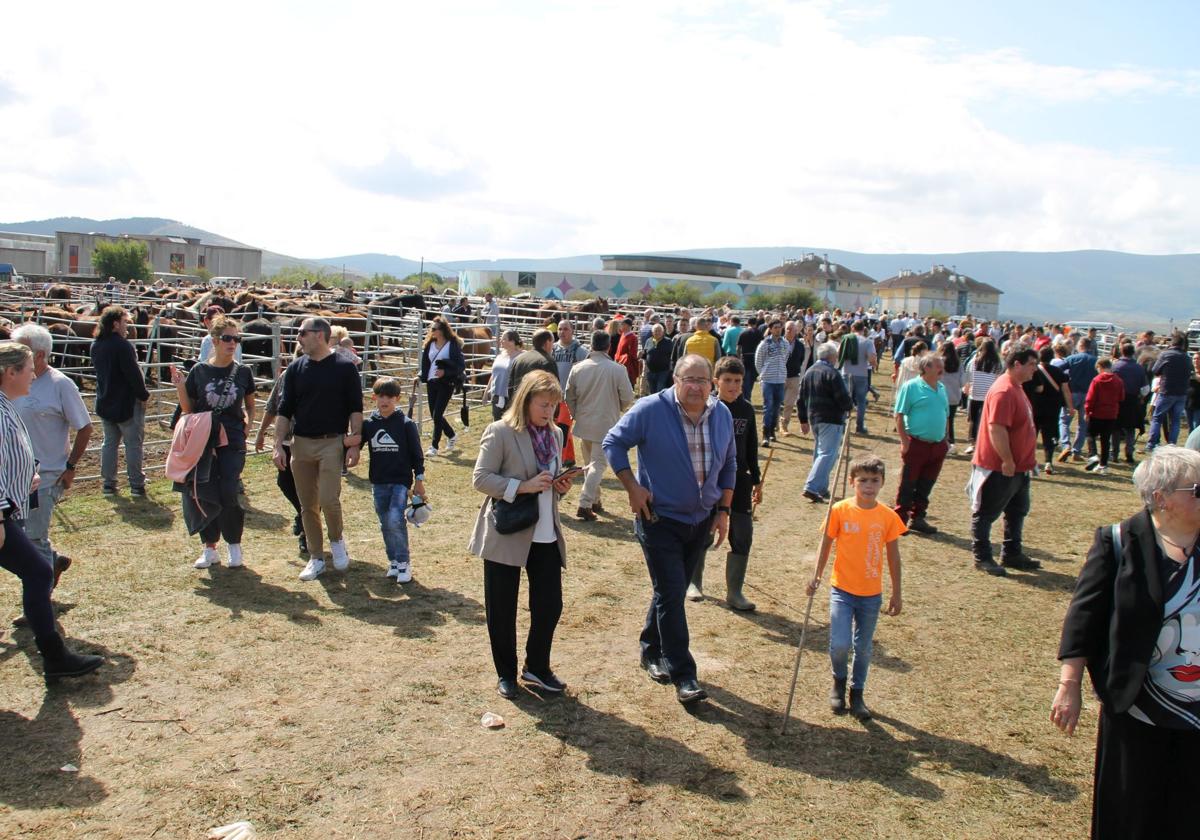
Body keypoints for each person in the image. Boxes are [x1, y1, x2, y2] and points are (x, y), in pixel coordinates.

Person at [1052, 446, 1200, 839]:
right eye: (1197, 489)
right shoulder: (1118, 542)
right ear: (1161, 498)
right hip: (1137, 707)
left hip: (1198, 709)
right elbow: (1084, 618)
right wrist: (1069, 686)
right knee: (1131, 812)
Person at [603, 354, 737, 706]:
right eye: (688, 379)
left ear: (712, 384)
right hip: (658, 518)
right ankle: (685, 674)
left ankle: (650, 649)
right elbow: (612, 443)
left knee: (670, 590)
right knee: (672, 592)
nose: (695, 387)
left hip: (702, 520)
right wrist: (632, 486)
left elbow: (729, 465)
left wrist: (723, 509)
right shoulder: (650, 410)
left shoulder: (720, 414)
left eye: (702, 381)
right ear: (674, 379)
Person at [0, 341, 104, 682]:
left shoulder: (7, 406)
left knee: (37, 572)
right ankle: (55, 656)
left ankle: (56, 656)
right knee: (37, 572)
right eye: (28, 369)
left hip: (10, 510)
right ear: (10, 373)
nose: (33, 375)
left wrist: (25, 472)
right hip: (2, 516)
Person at [469, 370, 576, 700]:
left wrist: (561, 486)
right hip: (507, 531)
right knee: (502, 608)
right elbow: (481, 478)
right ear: (526, 400)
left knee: (550, 606)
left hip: (545, 531)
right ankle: (506, 673)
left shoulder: (556, 434)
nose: (549, 412)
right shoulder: (500, 431)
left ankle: (537, 667)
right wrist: (522, 487)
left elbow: (551, 481)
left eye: (554, 406)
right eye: (543, 404)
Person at [806, 454, 904, 721]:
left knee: (863, 648)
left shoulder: (887, 517)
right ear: (852, 482)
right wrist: (816, 574)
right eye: (863, 480)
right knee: (840, 644)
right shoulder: (839, 510)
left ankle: (856, 692)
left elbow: (894, 556)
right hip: (842, 590)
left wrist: (896, 592)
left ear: (883, 482)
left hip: (871, 595)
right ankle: (838, 681)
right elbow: (825, 544)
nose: (868, 486)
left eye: (874, 480)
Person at [273, 317, 364, 582]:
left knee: (327, 499)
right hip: (300, 443)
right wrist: (278, 444)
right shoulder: (295, 369)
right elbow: (284, 411)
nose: (298, 337)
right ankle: (316, 557)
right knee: (307, 505)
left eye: (303, 333)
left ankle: (336, 541)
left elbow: (355, 408)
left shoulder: (345, 368)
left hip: (332, 442)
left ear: (320, 335)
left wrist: (355, 442)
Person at [171, 315, 256, 569]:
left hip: (232, 440)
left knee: (229, 490)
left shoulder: (243, 372)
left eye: (236, 339)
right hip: (203, 440)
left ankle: (234, 544)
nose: (233, 343)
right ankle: (209, 548)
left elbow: (251, 405)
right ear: (216, 341)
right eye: (228, 338)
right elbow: (189, 408)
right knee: (203, 490)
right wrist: (180, 387)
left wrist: (248, 425)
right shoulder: (200, 371)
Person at [11, 324, 92, 583]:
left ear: (40, 355)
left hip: (45, 475)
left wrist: (70, 466)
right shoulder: (12, 381)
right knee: (15, 537)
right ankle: (52, 562)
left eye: (22, 350)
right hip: (14, 474)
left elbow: (85, 427)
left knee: (34, 538)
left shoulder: (60, 385)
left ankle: (39, 602)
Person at [691, 356, 761, 610]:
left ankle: (735, 593)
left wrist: (757, 479)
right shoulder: (707, 409)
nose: (733, 385)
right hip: (711, 481)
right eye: (728, 380)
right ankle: (694, 582)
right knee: (704, 533)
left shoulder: (747, 410)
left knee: (742, 535)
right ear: (715, 382)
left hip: (740, 482)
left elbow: (752, 446)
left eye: (738, 381)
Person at [968, 347, 1040, 577]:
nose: (1035, 369)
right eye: (1031, 364)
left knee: (1017, 510)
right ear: (1016, 364)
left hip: (1019, 466)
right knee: (987, 511)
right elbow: (996, 428)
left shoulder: (1016, 387)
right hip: (999, 466)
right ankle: (982, 556)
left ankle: (1012, 552)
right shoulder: (1003, 390)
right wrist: (1007, 459)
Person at [356, 377, 426, 584]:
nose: (384, 401)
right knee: (385, 522)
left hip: (400, 481)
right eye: (380, 396)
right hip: (378, 481)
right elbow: (357, 444)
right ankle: (393, 560)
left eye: (389, 397)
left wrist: (419, 480)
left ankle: (404, 562)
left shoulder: (406, 424)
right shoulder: (369, 424)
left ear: (397, 398)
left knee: (396, 518)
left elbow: (417, 454)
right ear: (374, 397)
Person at [565, 331, 634, 521]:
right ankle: (585, 503)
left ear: (591, 345)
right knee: (597, 465)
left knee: (591, 465)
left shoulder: (578, 368)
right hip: (606, 423)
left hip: (584, 422)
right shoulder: (617, 369)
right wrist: (617, 407)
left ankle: (595, 500)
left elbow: (568, 396)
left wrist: (576, 413)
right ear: (608, 347)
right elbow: (628, 397)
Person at [90, 305, 150, 496]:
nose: (127, 326)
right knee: (133, 444)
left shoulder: (96, 344)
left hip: (105, 400)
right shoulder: (123, 346)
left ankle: (109, 483)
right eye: (125, 322)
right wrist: (143, 395)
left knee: (109, 443)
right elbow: (134, 374)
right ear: (115, 324)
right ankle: (136, 484)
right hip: (126, 403)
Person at [257, 345, 306, 555]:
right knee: (285, 482)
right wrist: (261, 432)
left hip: (311, 441)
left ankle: (306, 532)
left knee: (312, 487)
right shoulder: (287, 376)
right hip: (287, 440)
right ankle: (302, 514)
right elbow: (273, 406)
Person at [892, 353, 949, 534]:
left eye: (942, 365)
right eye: (938, 365)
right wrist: (904, 442)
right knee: (908, 483)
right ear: (926, 368)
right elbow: (899, 415)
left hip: (937, 445)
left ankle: (918, 518)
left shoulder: (941, 387)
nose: (942, 369)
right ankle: (900, 519)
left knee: (927, 483)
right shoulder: (911, 387)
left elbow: (946, 414)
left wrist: (945, 440)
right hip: (916, 443)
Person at [798, 342, 854, 503]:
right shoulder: (832, 373)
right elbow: (842, 397)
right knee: (828, 453)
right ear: (831, 356)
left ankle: (821, 487)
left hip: (814, 417)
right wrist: (850, 406)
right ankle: (812, 486)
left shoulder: (809, 372)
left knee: (821, 453)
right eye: (836, 355)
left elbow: (800, 398)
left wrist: (803, 419)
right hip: (831, 418)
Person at [420, 316, 465, 458]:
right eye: (431, 328)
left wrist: (445, 372)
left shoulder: (452, 344)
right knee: (436, 415)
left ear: (442, 330)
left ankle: (434, 446)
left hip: (446, 383)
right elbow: (426, 363)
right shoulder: (429, 344)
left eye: (434, 329)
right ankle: (451, 435)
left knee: (437, 414)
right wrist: (421, 376)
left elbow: (460, 366)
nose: (431, 331)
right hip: (431, 382)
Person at [1024, 345, 1073, 474]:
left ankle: (1029, 461)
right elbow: (1066, 390)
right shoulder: (1058, 372)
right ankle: (1048, 462)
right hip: (1053, 408)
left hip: (1035, 407)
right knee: (1049, 435)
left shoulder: (1034, 371)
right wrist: (1070, 406)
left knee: (1032, 435)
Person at [1147, 331, 1192, 451]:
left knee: (1157, 418)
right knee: (1175, 420)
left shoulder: (1166, 355)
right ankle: (1172, 444)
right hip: (1181, 392)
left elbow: (1155, 370)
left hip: (1166, 390)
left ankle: (1152, 444)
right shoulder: (1187, 357)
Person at [552, 320, 588, 466]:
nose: (562, 332)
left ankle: (559, 461)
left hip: (570, 397)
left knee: (563, 428)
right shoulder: (553, 348)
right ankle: (569, 458)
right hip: (554, 395)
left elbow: (588, 367)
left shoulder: (579, 350)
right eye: (560, 329)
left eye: (565, 329)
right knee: (558, 426)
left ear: (572, 331)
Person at [1058, 337, 1100, 462]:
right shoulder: (1095, 360)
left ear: (1079, 345)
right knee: (1083, 424)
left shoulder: (1073, 358)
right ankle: (1076, 451)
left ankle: (1066, 445)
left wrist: (1066, 379)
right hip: (1088, 394)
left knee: (1064, 420)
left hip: (1072, 392)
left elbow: (1058, 369)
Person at [1083, 357, 1125, 475]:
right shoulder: (1118, 381)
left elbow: (1090, 398)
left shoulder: (1096, 380)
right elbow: (1121, 397)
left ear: (1100, 367)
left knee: (1090, 435)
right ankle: (1103, 465)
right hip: (1111, 414)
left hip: (1096, 412)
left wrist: (1087, 411)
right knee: (1105, 440)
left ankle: (1093, 455)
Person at [1112, 342, 1149, 465]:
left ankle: (1114, 453)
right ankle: (1129, 454)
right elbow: (1145, 389)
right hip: (1133, 401)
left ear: (1121, 352)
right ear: (1133, 352)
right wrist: (1141, 397)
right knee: (1130, 429)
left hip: (1117, 401)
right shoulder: (1139, 368)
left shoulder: (1115, 366)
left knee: (1116, 428)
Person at [963, 338, 1001, 456]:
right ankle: (984, 444)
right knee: (986, 421)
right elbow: (997, 379)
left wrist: (967, 388)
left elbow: (969, 376)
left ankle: (972, 443)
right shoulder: (997, 363)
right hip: (989, 395)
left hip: (975, 394)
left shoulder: (975, 361)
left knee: (974, 420)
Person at [754, 319, 789, 445]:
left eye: (780, 327)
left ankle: (773, 431)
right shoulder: (764, 344)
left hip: (780, 379)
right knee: (768, 407)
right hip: (768, 380)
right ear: (770, 328)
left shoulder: (785, 343)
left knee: (776, 407)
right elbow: (758, 361)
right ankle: (765, 434)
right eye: (775, 327)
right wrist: (763, 373)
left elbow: (785, 358)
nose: (778, 329)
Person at [839, 320, 877, 435]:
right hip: (861, 374)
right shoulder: (868, 342)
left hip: (846, 372)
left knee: (845, 399)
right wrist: (874, 364)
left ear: (852, 328)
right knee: (861, 402)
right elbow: (871, 358)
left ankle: (842, 425)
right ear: (863, 329)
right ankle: (859, 427)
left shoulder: (845, 339)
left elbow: (838, 353)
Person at [508, 328, 558, 399]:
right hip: (539, 407)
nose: (553, 347)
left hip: (518, 404)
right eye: (552, 343)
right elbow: (554, 391)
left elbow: (510, 387)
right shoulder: (548, 361)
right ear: (547, 343)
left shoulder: (518, 359)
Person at [484, 330, 522, 422]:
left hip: (511, 397)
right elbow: (494, 374)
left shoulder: (521, 357)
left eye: (504, 339)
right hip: (496, 395)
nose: (500, 341)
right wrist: (486, 392)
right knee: (497, 423)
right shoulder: (499, 356)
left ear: (512, 342)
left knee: (511, 423)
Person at [780, 321, 809, 436]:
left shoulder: (800, 346)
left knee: (789, 403)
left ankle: (784, 425)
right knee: (776, 402)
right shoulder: (779, 343)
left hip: (793, 377)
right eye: (788, 329)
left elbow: (801, 360)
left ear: (796, 331)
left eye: (792, 329)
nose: (790, 331)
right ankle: (772, 425)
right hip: (779, 376)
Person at [640, 323, 673, 394]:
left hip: (663, 371)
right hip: (650, 371)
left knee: (659, 390)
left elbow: (672, 356)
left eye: (659, 330)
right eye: (655, 331)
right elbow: (645, 355)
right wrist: (641, 354)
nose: (657, 332)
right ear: (652, 332)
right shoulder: (649, 341)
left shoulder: (668, 341)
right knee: (652, 391)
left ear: (663, 332)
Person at [614, 318, 640, 386]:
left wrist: (624, 360)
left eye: (622, 324)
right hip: (619, 362)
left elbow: (632, 354)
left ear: (628, 326)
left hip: (627, 366)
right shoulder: (622, 335)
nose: (621, 326)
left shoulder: (633, 337)